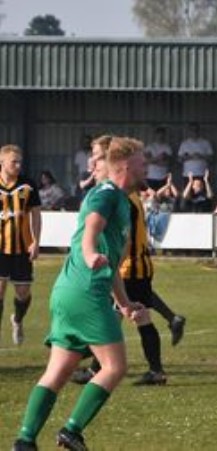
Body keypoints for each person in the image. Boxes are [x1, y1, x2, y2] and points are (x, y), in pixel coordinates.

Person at [11, 136, 146, 451]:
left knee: (57, 372)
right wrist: (88, 254)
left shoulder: (122, 202)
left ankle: (25, 441)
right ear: (125, 165)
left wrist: (124, 304)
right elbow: (92, 228)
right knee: (114, 367)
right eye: (142, 162)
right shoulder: (109, 193)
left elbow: (111, 264)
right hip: (86, 293)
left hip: (69, 291)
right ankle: (71, 431)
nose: (146, 168)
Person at [0, 145, 42, 346]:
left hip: (22, 248)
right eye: (13, 162)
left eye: (19, 162)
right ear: (2, 162)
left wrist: (36, 241)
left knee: (23, 293)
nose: (17, 166)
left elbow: (35, 215)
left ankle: (17, 320)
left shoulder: (28, 185)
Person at [144, 126, 172, 190]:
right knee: (151, 197)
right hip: (151, 176)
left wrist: (153, 161)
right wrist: (159, 158)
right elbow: (146, 161)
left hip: (163, 176)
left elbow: (167, 163)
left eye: (162, 135)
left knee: (162, 198)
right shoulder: (150, 147)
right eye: (159, 134)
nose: (160, 136)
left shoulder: (167, 147)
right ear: (156, 135)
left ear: (164, 135)